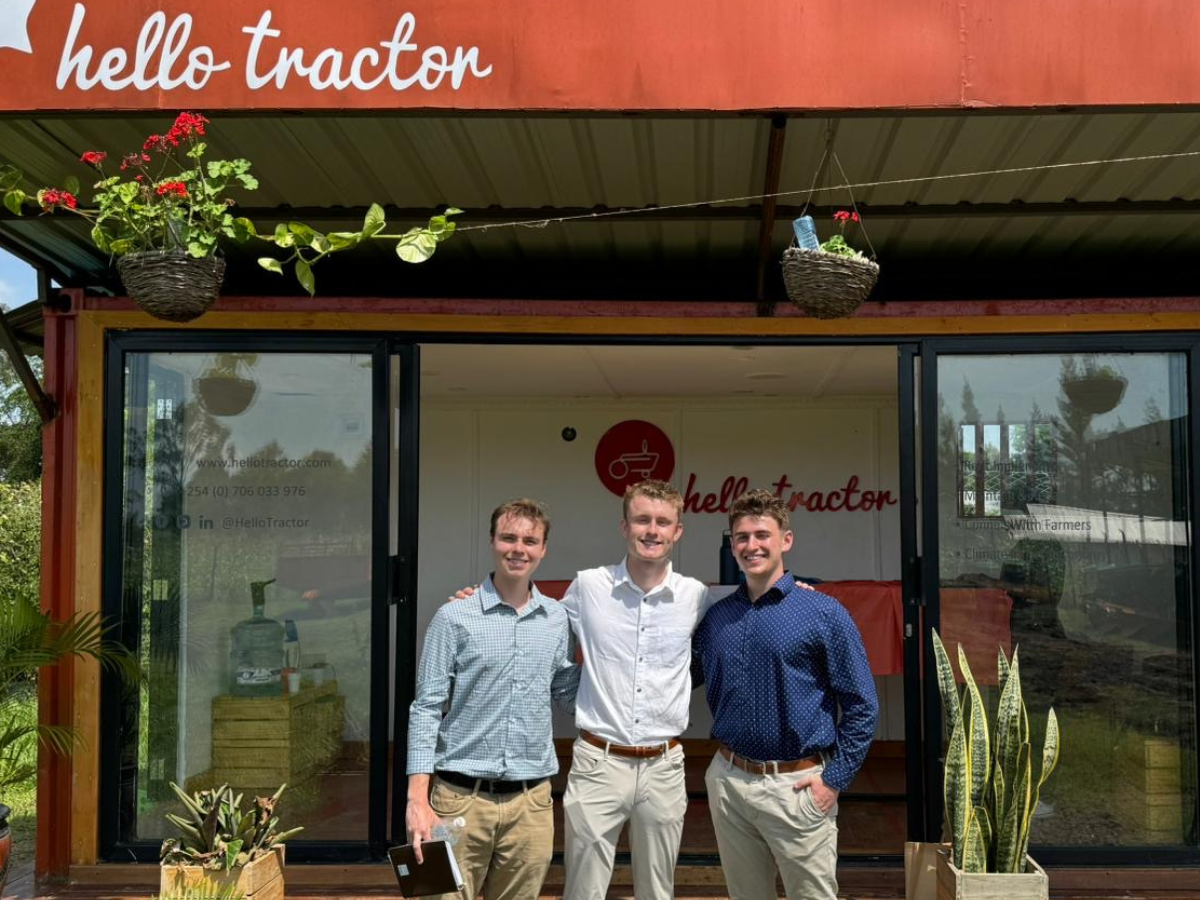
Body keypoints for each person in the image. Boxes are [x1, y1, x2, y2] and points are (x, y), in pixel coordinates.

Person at [693, 488, 878, 900]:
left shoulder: (824, 614)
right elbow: (678, 678)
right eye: (741, 537)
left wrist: (834, 780)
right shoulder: (718, 617)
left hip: (797, 787)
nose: (751, 545)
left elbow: (862, 705)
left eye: (762, 534)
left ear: (785, 541)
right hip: (730, 784)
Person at [406, 498, 580, 900]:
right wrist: (418, 799)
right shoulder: (453, 617)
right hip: (457, 802)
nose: (518, 548)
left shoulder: (557, 620)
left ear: (543, 550)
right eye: (509, 538)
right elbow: (426, 709)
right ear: (492, 542)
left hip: (530, 806)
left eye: (529, 540)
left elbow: (568, 694)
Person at [559, 478, 708, 900]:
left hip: (664, 766)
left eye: (663, 522)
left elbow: (747, 611)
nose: (652, 530)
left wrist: (797, 589)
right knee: (583, 890)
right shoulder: (589, 587)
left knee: (658, 891)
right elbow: (536, 622)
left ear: (677, 531)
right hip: (597, 762)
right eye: (642, 519)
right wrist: (476, 594)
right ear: (624, 526)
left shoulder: (695, 596)